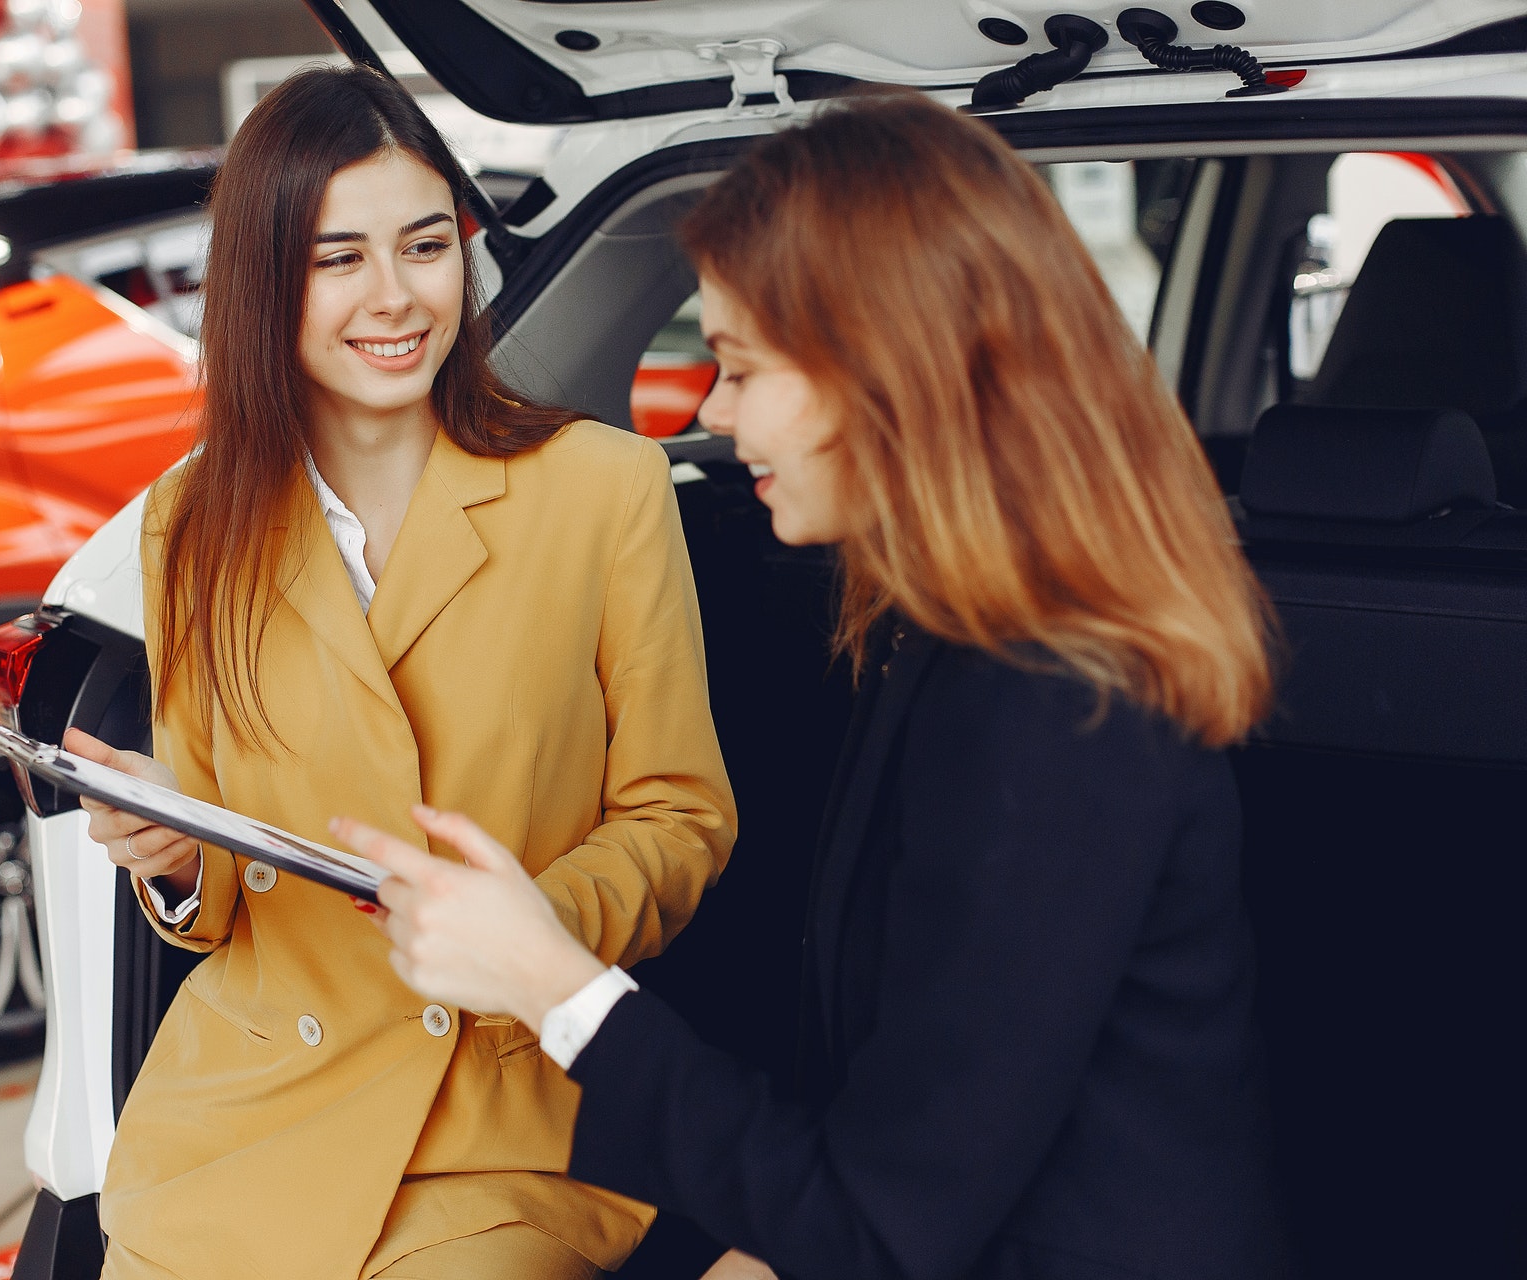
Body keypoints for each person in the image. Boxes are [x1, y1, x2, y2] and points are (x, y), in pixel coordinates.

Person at [335, 88, 1294, 1280]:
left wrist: (550, 981)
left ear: (888, 373)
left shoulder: (1057, 707)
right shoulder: (938, 630)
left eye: (739, 366)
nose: (710, 412)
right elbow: (894, 1132)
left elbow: (879, 1227)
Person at [65, 68, 735, 1280]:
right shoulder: (189, 521)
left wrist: (535, 930)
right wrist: (171, 857)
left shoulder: (602, 489)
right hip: (245, 1114)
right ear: (265, 282)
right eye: (338, 259)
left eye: (425, 245)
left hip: (500, 1125)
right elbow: (216, 907)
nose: (395, 296)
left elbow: (680, 816)